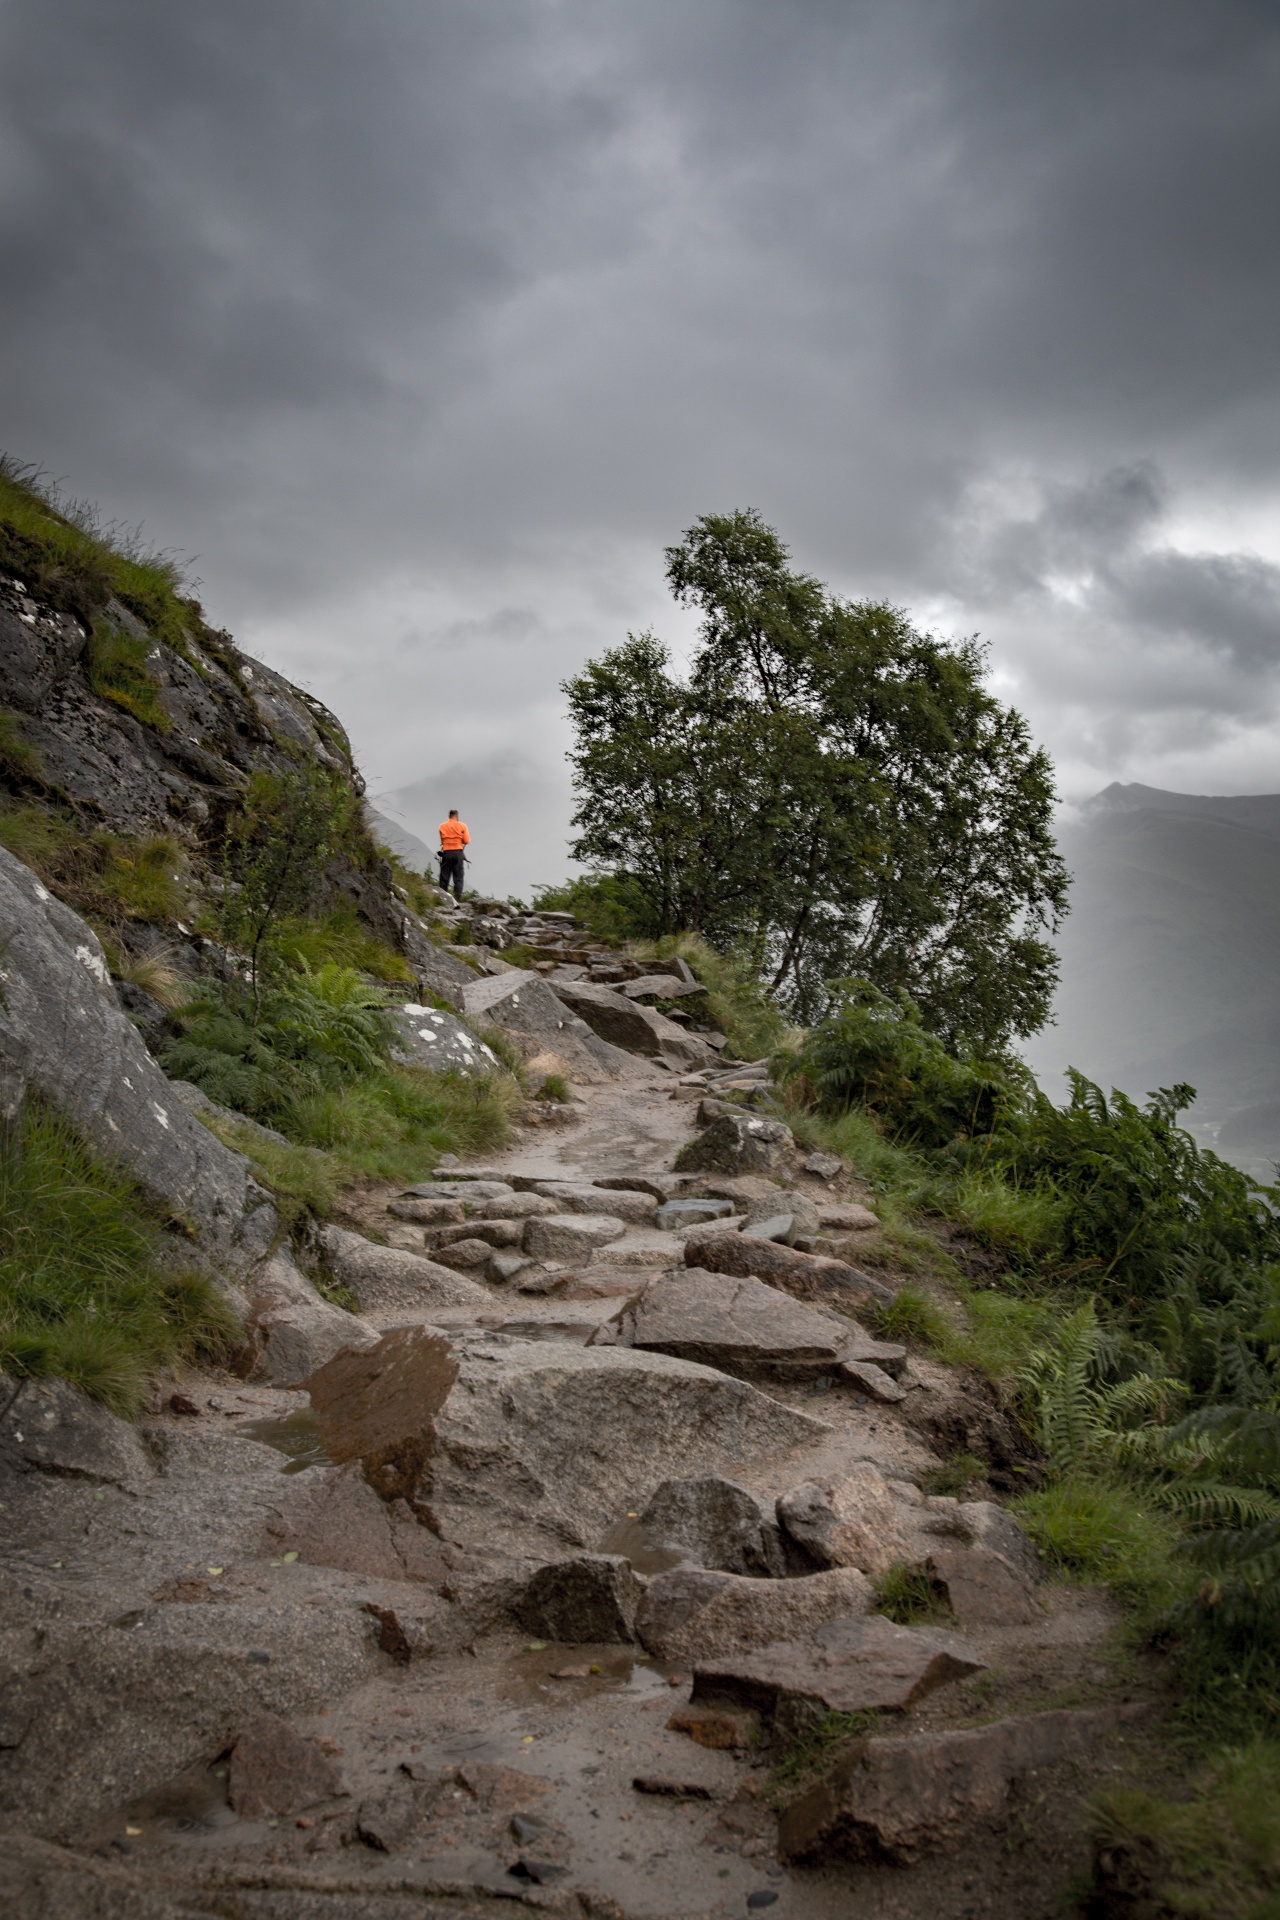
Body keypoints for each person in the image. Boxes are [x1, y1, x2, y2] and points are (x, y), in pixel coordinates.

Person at [437, 808, 470, 901]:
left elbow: (442, 840)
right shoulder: (462, 825)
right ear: (457, 816)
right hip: (458, 853)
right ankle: (456, 899)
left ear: (449, 816)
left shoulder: (442, 826)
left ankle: (443, 898)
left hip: (446, 852)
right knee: (458, 877)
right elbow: (466, 841)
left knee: (444, 876)